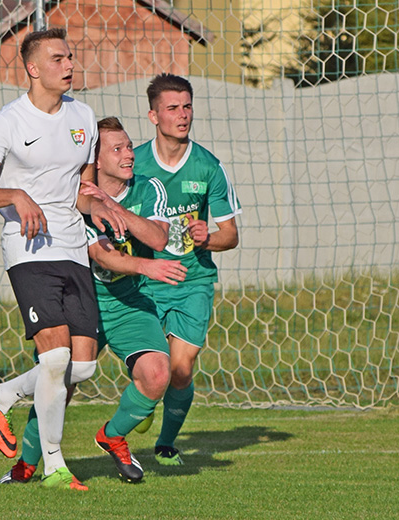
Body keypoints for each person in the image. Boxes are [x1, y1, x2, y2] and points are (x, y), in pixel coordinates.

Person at [0, 28, 124, 491]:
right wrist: (15, 195)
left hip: (73, 247)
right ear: (32, 68)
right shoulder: (9, 122)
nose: (69, 65)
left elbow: (80, 190)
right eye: (58, 59)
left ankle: (2, 393)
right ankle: (55, 467)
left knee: (83, 366)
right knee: (54, 357)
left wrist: (99, 206)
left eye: (70, 57)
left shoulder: (84, 116)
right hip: (28, 248)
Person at [0, 117, 188, 484]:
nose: (129, 154)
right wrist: (144, 265)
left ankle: (112, 436)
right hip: (82, 300)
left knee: (157, 374)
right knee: (59, 382)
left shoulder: (148, 187)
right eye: (118, 149)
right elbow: (101, 255)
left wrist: (115, 208)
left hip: (129, 302)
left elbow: (158, 237)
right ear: (95, 160)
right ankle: (27, 463)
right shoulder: (74, 196)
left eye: (129, 146)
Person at [136, 74, 241, 465]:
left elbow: (230, 235)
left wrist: (206, 238)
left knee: (180, 369)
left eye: (187, 106)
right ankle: (145, 399)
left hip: (192, 280)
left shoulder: (208, 166)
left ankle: (165, 444)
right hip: (145, 280)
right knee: (153, 369)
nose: (182, 115)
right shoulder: (134, 163)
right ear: (154, 115)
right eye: (173, 108)